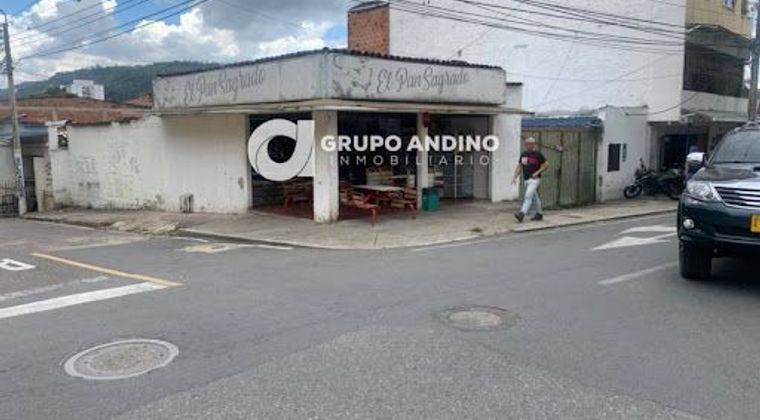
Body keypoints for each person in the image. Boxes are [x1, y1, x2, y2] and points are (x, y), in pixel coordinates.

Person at [512, 137, 549, 222]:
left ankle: (522, 214)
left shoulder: (538, 154)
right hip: (526, 179)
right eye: (527, 144)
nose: (528, 145)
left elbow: (546, 165)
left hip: (535, 179)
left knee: (528, 196)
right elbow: (520, 166)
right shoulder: (523, 154)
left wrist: (537, 172)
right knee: (535, 197)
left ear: (533, 144)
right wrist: (514, 177)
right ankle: (539, 214)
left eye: (530, 144)